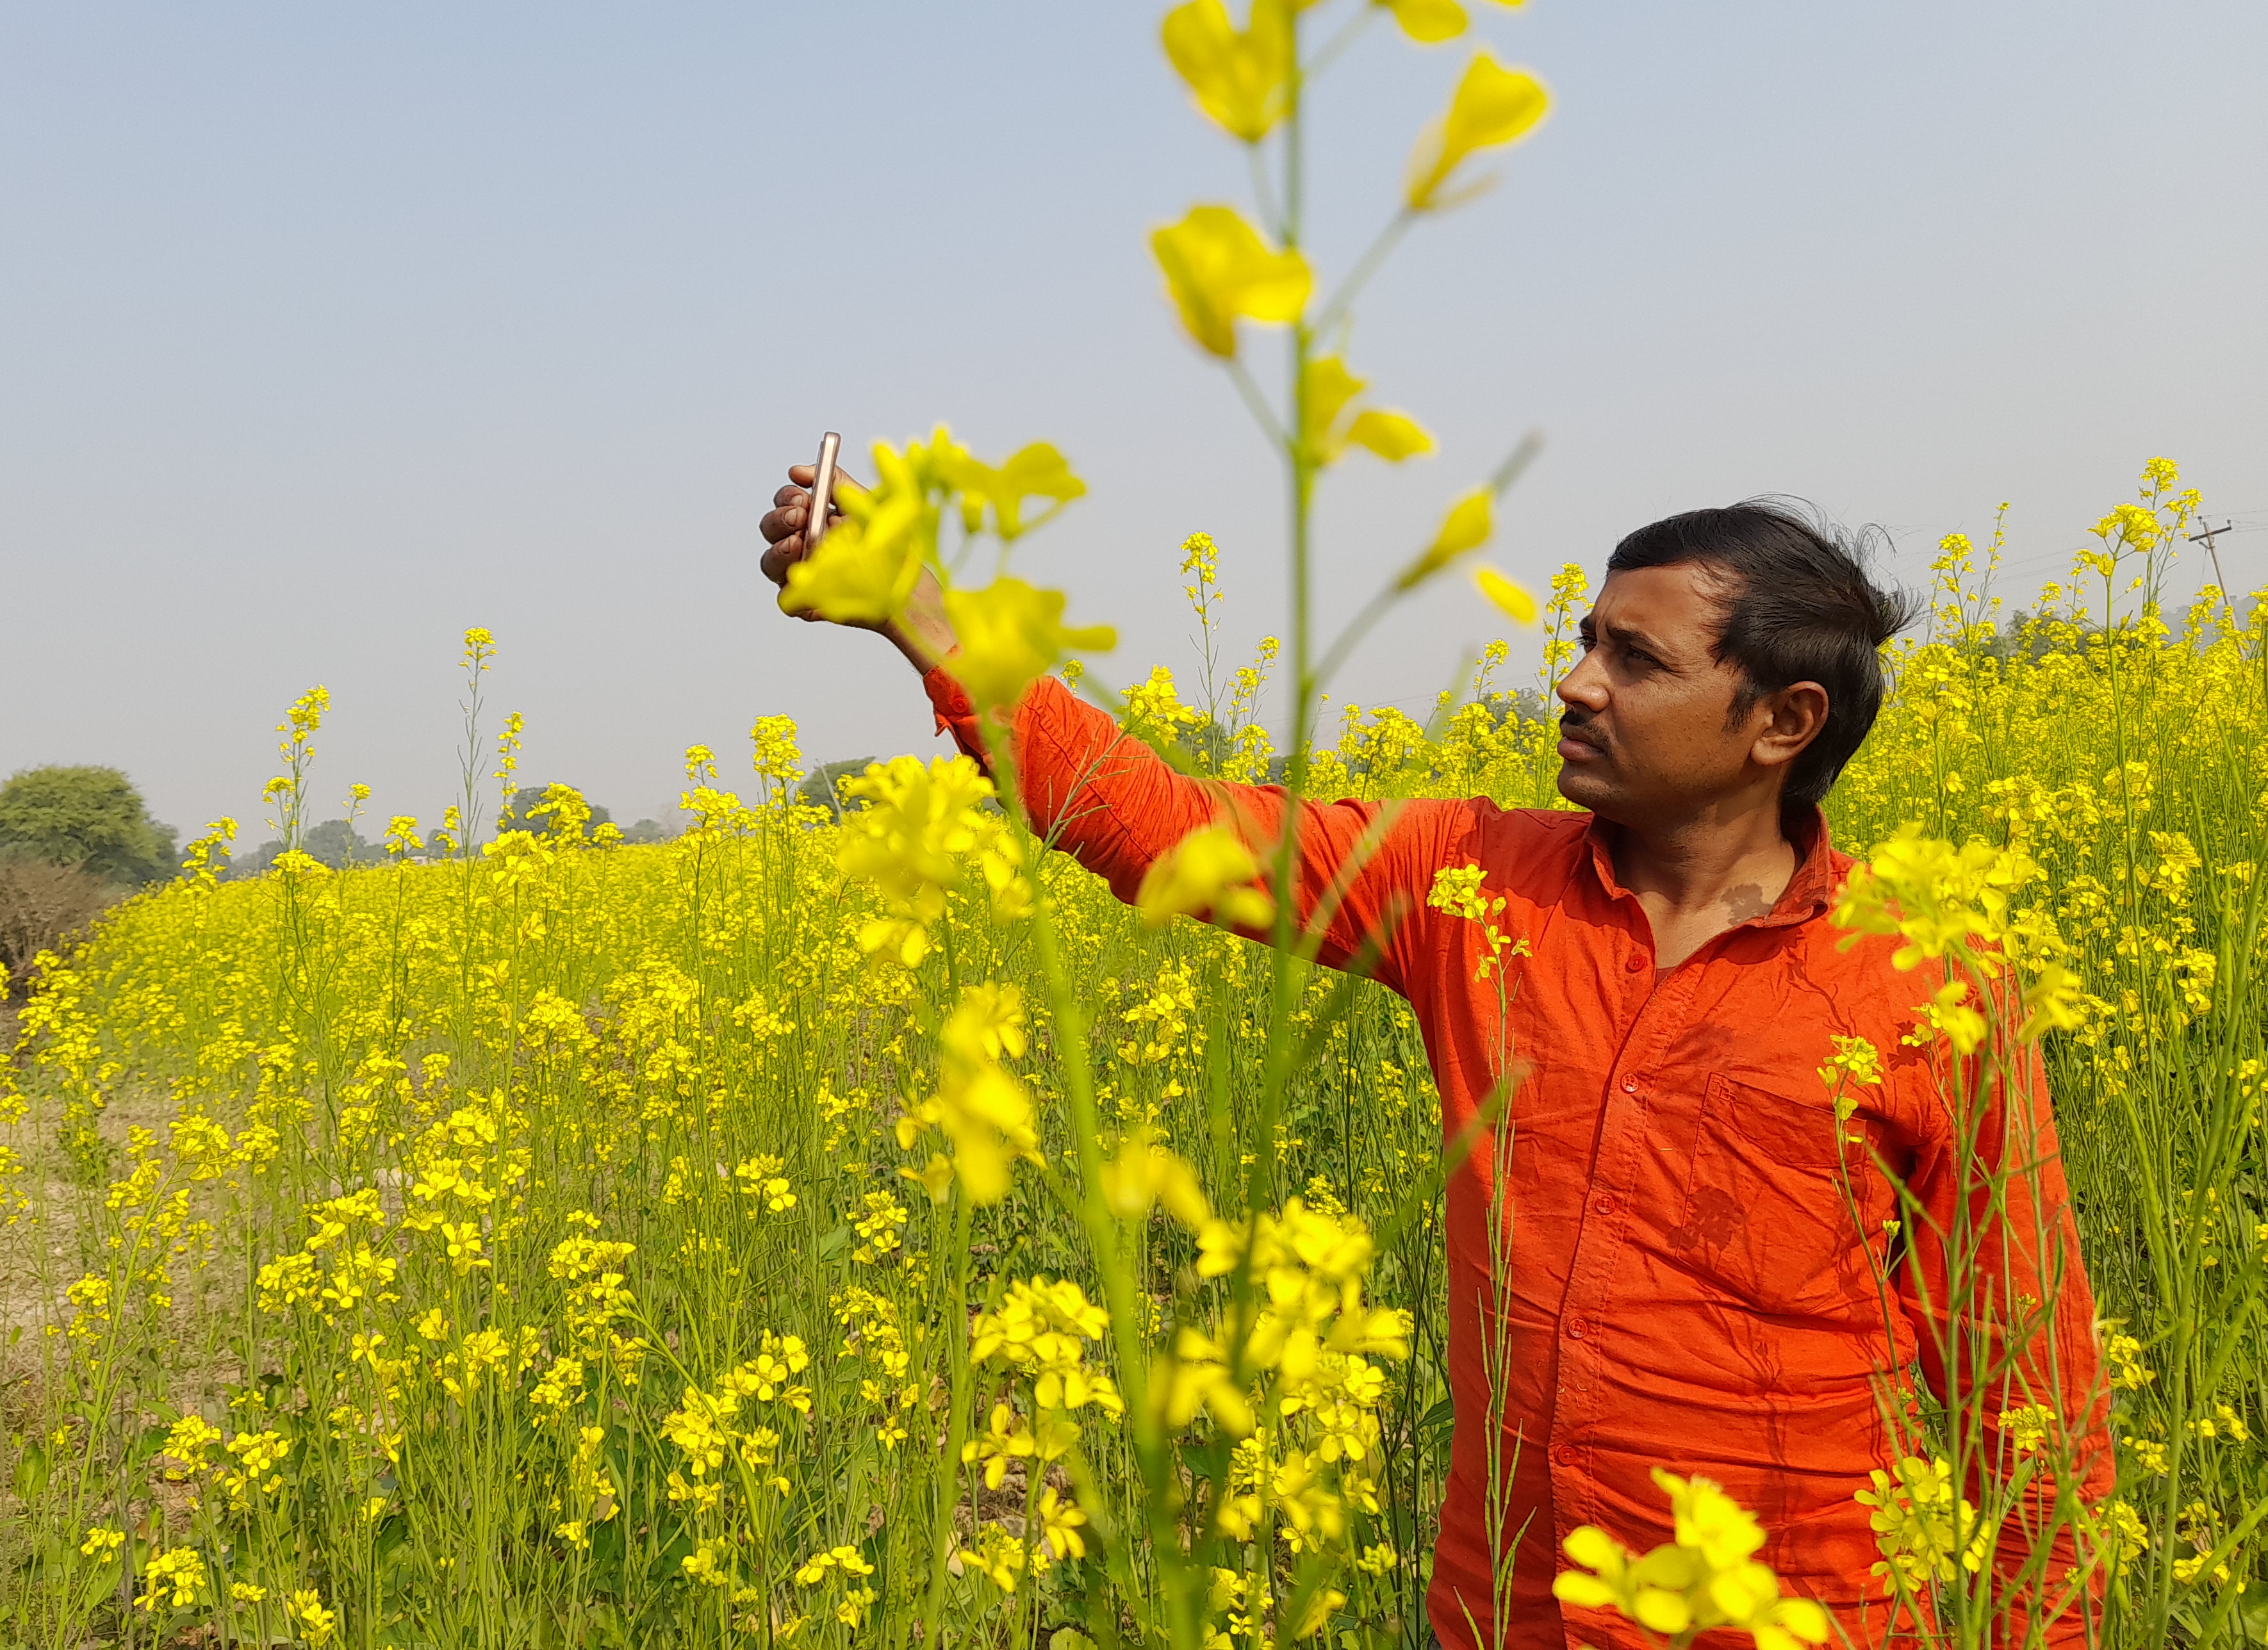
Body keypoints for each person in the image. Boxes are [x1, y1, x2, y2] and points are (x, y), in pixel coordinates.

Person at [758, 470, 2114, 1650]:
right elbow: (1158, 828)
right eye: (1584, 642)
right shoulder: (1464, 876)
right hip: (1505, 1613)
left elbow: (2027, 1394)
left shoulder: (1928, 984)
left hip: (1800, 1621)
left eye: (1633, 661)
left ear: (1781, 722)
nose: (1573, 681)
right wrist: (919, 618)